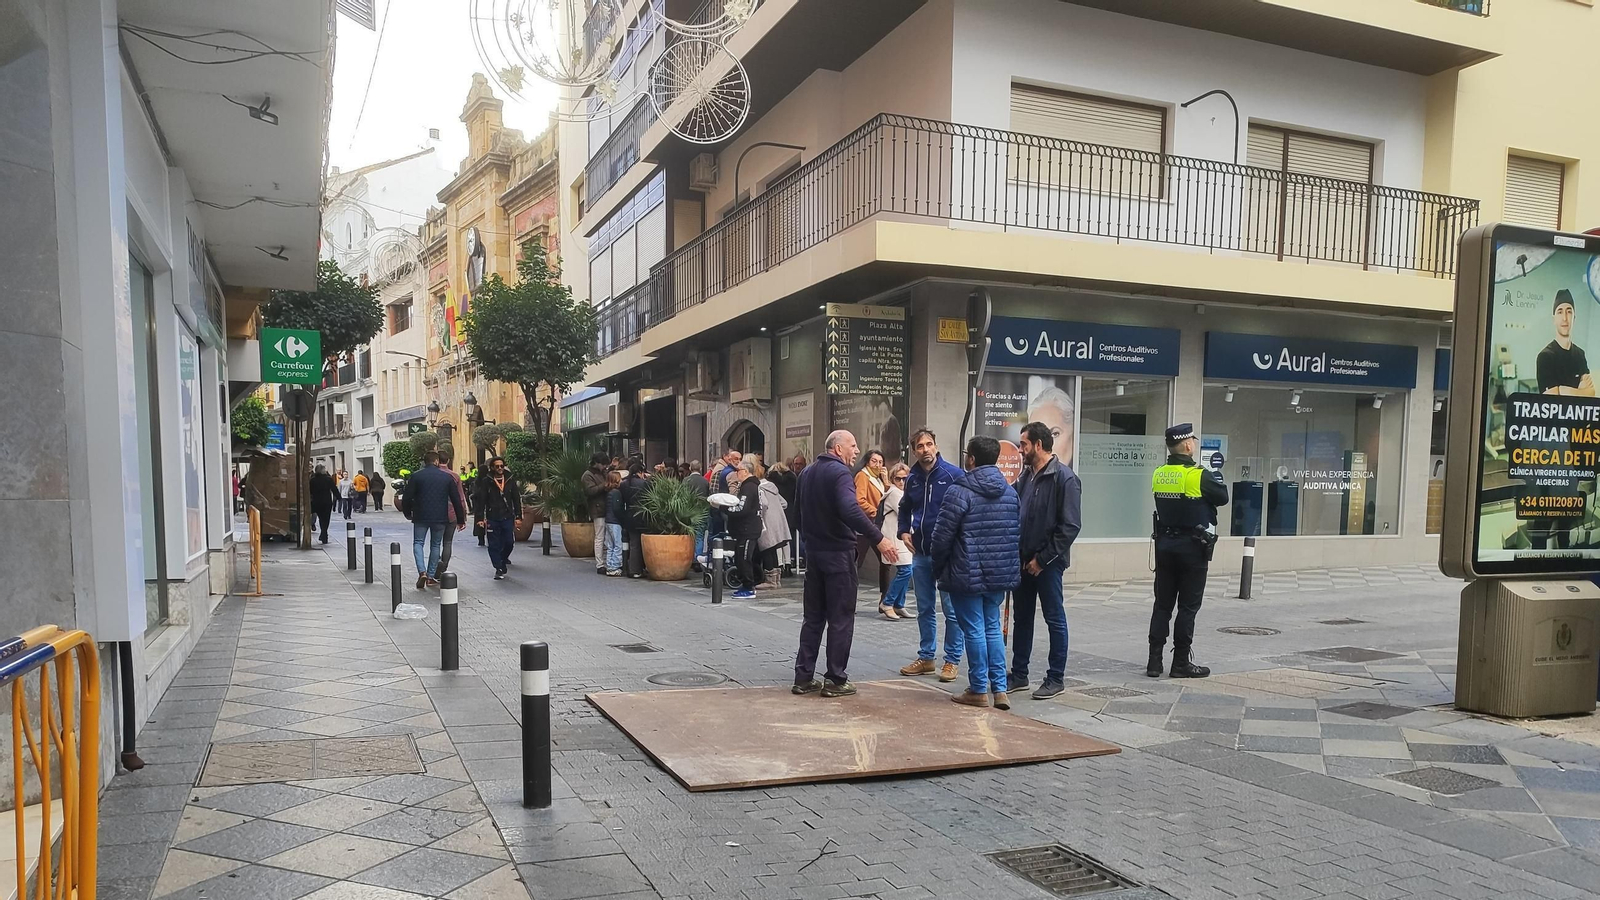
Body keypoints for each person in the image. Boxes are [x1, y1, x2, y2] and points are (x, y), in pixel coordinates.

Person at [792, 430, 897, 698]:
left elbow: (797, 515)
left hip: (814, 555)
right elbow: (850, 509)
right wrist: (879, 539)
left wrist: (812, 539)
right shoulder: (840, 473)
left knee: (813, 618)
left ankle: (803, 677)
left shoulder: (807, 473)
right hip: (838, 555)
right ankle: (836, 679)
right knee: (840, 618)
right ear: (838, 449)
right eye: (853, 445)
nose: (856, 450)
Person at [931, 437, 1022, 708]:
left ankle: (979, 688)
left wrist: (939, 568)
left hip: (965, 571)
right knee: (992, 627)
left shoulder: (959, 491)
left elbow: (941, 536)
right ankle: (1000, 689)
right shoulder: (1010, 493)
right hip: (999, 573)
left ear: (971, 458)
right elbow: (1015, 534)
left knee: (973, 629)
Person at [1150, 423, 1230, 679]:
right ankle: (1181, 663)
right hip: (1192, 548)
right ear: (1187, 444)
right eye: (1192, 441)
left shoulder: (1159, 474)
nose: (1193, 444)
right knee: (1187, 607)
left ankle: (1154, 662)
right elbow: (1223, 497)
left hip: (1164, 547)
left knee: (1162, 606)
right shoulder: (1199, 475)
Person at [1010, 420, 1082, 700]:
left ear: (1038, 445)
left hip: (1048, 564)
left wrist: (1042, 560)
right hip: (1023, 561)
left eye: (1024, 444)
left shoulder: (1064, 478)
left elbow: (1070, 526)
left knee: (1054, 619)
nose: (1020, 450)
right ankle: (1019, 674)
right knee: (1022, 618)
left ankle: (1055, 678)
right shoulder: (1026, 476)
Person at [897, 429, 967, 681]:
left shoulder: (954, 475)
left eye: (929, 444)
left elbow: (966, 510)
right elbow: (904, 507)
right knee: (924, 608)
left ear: (936, 446)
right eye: (920, 446)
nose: (925, 449)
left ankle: (952, 660)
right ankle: (926, 657)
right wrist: (903, 531)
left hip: (947, 555)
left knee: (951, 609)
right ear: (914, 451)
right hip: (921, 552)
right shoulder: (912, 479)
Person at [399, 450, 466, 588]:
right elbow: (456, 499)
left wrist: (407, 513)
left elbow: (407, 497)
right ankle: (430, 577)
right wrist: (461, 519)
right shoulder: (447, 478)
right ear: (436, 461)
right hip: (440, 517)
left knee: (418, 542)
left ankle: (422, 571)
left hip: (421, 515)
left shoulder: (416, 476)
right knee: (435, 545)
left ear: (425, 462)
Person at [1538, 290, 1594, 396]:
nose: (1565, 318)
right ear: (1554, 319)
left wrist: (1563, 391)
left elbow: (1591, 393)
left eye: (1569, 312)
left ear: (1574, 318)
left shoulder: (1580, 354)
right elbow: (1552, 399)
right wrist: (1581, 392)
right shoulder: (1545, 357)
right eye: (1560, 312)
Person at [475, 455, 523, 579]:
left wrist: (518, 516)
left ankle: (502, 559)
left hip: (507, 516)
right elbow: (481, 500)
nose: (500, 468)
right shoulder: (487, 481)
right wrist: (480, 518)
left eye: (502, 466)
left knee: (509, 542)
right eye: (497, 466)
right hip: (492, 517)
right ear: (492, 468)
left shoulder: (510, 480)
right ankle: (498, 567)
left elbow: (516, 499)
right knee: (493, 544)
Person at [854, 449, 891, 600]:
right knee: (856, 562)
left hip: (876, 526)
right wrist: (876, 512)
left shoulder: (878, 479)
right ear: (867, 462)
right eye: (874, 461)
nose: (877, 465)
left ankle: (885, 599)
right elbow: (860, 500)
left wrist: (886, 481)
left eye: (881, 462)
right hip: (865, 526)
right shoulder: (863, 476)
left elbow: (888, 497)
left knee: (886, 560)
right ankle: (848, 596)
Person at [877, 463, 913, 620]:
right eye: (898, 479)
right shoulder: (895, 493)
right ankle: (888, 602)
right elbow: (907, 514)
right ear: (892, 479)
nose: (902, 482)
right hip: (894, 537)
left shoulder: (903, 493)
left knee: (907, 570)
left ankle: (899, 604)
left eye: (905, 478)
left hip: (901, 537)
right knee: (906, 570)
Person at [727, 458, 765, 599]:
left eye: (738, 470)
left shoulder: (749, 487)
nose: (736, 473)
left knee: (744, 558)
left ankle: (748, 587)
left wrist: (725, 508)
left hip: (748, 528)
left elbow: (742, 508)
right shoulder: (749, 486)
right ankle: (747, 585)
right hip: (745, 528)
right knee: (741, 557)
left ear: (745, 471)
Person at [756, 461, 791, 590]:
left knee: (766, 549)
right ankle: (776, 580)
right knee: (773, 549)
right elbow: (784, 503)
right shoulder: (772, 487)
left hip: (766, 521)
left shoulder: (760, 488)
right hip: (778, 523)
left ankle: (770, 580)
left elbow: (763, 504)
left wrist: (761, 512)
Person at [435, 452, 471, 578]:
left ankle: (434, 567)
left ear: (436, 461)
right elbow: (461, 497)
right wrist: (463, 517)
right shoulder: (455, 476)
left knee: (435, 542)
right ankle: (443, 568)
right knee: (448, 542)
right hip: (452, 513)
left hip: (436, 514)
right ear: (448, 460)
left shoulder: (433, 475)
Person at [765, 460, 799, 576]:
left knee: (777, 540)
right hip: (790, 511)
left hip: (776, 512)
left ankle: (780, 564)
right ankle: (788, 564)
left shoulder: (771, 482)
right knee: (786, 539)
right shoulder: (792, 479)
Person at [618, 459, 650, 578]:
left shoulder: (624, 484)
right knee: (642, 544)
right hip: (643, 515)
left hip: (629, 515)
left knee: (633, 543)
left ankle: (633, 569)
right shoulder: (644, 484)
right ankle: (640, 568)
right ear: (640, 472)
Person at [581, 452, 611, 574]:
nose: (605, 467)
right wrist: (604, 485)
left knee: (608, 537)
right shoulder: (587, 475)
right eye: (603, 464)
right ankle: (600, 564)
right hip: (597, 509)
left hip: (607, 507)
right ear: (597, 463)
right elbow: (590, 491)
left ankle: (610, 562)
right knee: (600, 537)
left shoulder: (603, 473)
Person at [680, 458, 712, 565]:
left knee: (689, 535)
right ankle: (697, 558)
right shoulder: (705, 481)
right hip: (702, 512)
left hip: (688, 512)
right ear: (701, 468)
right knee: (700, 535)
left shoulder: (685, 481)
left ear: (690, 468)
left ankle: (689, 557)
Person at [309, 464, 338, 544]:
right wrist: (339, 498)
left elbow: (309, 491)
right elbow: (334, 489)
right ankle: (324, 535)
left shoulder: (312, 480)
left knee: (321, 518)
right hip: (327, 502)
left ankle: (323, 534)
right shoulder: (328, 479)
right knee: (326, 519)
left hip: (316, 502)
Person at [603, 470, 625, 576]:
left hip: (608, 520)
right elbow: (617, 509)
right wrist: (622, 518)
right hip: (615, 522)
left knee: (610, 545)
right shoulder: (616, 493)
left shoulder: (609, 492)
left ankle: (609, 565)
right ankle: (614, 566)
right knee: (617, 545)